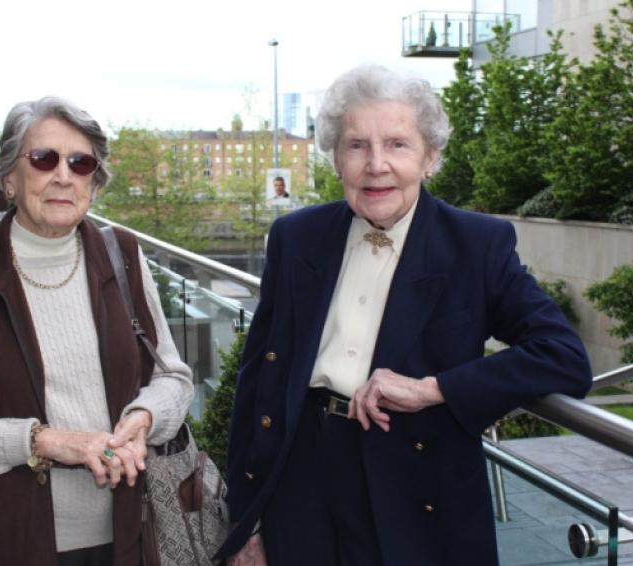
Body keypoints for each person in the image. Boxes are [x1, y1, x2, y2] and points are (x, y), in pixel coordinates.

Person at [220, 65, 592, 566]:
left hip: (414, 483)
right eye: (357, 145)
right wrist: (245, 519)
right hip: (298, 476)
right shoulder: (296, 237)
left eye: (397, 144)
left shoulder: (476, 246)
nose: (376, 165)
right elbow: (256, 379)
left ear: (430, 157)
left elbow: (563, 357)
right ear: (335, 158)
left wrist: (432, 389)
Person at [0, 97, 193, 566]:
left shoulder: (122, 254)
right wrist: (44, 442)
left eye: (81, 163)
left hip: (130, 535)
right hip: (7, 540)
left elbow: (174, 379)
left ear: (94, 184)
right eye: (44, 159)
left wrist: (144, 417)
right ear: (9, 178)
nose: (64, 175)